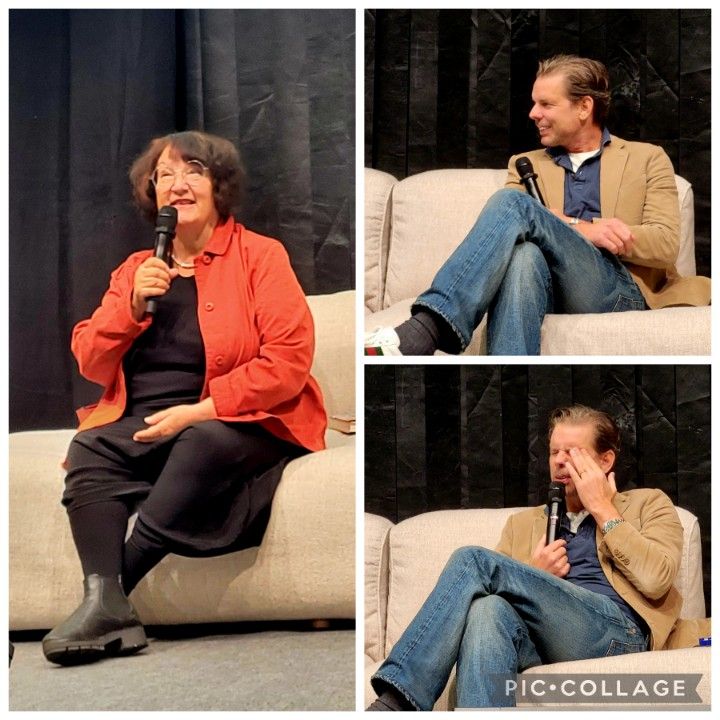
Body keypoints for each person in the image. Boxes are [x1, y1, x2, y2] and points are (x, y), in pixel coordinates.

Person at [42, 131, 327, 666]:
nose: (178, 184)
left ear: (219, 186)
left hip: (241, 418)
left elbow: (288, 361)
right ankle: (107, 605)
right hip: (147, 420)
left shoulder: (260, 256)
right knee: (90, 447)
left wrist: (200, 410)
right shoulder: (136, 268)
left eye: (193, 171)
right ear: (152, 192)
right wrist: (129, 305)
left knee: (200, 439)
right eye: (165, 175)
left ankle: (108, 598)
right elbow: (90, 360)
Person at [365, 55, 710, 356]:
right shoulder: (525, 163)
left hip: (617, 288)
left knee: (513, 203)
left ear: (584, 107)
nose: (533, 113)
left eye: (546, 104)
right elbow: (520, 232)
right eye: (534, 103)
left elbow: (666, 244)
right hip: (545, 283)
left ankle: (428, 328)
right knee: (524, 255)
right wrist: (583, 229)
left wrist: (580, 230)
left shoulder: (647, 158)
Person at [367, 405, 691, 710]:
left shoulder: (648, 504)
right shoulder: (522, 524)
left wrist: (602, 508)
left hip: (617, 634)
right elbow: (492, 594)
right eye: (554, 452)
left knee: (473, 560)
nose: (560, 461)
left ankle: (397, 701)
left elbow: (656, 579)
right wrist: (535, 573)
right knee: (486, 609)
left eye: (573, 452)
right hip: (540, 642)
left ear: (605, 461)